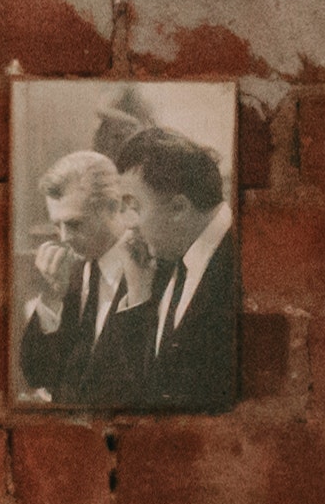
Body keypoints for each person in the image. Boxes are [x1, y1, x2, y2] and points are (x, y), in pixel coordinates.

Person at [90, 112, 238, 411]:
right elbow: (117, 391)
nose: (127, 226)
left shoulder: (243, 268)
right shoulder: (159, 259)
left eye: (134, 206)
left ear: (179, 208)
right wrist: (138, 296)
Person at [15, 146, 134, 405]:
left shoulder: (150, 267)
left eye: (74, 224)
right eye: (57, 225)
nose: (64, 238)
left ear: (114, 207)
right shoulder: (72, 269)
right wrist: (52, 298)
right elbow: (37, 374)